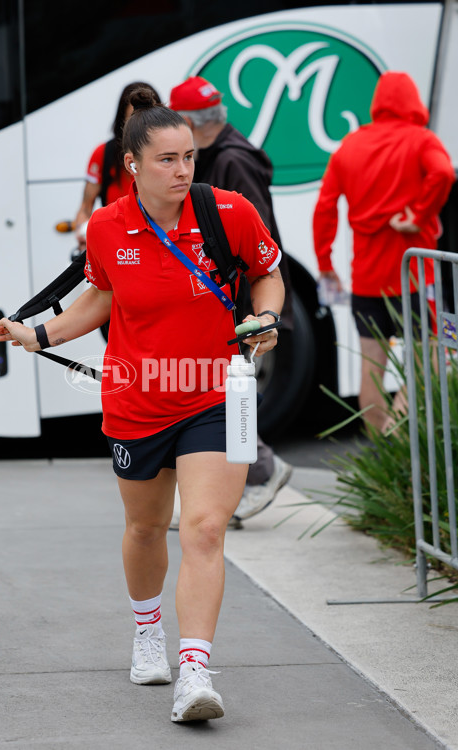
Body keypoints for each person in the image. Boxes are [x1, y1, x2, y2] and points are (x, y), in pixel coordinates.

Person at [0, 87, 285, 722]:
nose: (183, 171)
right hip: (136, 399)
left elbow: (268, 272)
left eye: (188, 157)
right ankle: (147, 628)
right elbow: (101, 299)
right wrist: (38, 333)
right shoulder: (107, 226)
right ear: (132, 164)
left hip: (213, 391)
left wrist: (264, 314)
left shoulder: (226, 212)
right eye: (167, 160)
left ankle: (195, 670)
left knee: (204, 528)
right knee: (146, 528)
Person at [169, 75, 292, 525]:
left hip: (243, 304)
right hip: (232, 301)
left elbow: (258, 248)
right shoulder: (221, 155)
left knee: (224, 394)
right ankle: (243, 480)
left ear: (187, 121)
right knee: (217, 391)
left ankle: (260, 473)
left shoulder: (233, 161)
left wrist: (255, 308)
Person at [313, 71, 455, 431]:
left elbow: (325, 208)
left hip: (366, 280)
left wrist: (325, 263)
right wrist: (419, 215)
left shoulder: (349, 146)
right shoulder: (422, 140)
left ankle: (381, 449)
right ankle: (397, 430)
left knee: (371, 366)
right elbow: (443, 174)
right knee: (432, 359)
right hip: (415, 278)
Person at [72, 81, 160, 251]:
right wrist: (83, 232)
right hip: (117, 251)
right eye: (134, 121)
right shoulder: (103, 154)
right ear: (122, 121)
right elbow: (85, 208)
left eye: (150, 121)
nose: (142, 130)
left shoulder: (172, 155)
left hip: (161, 248)